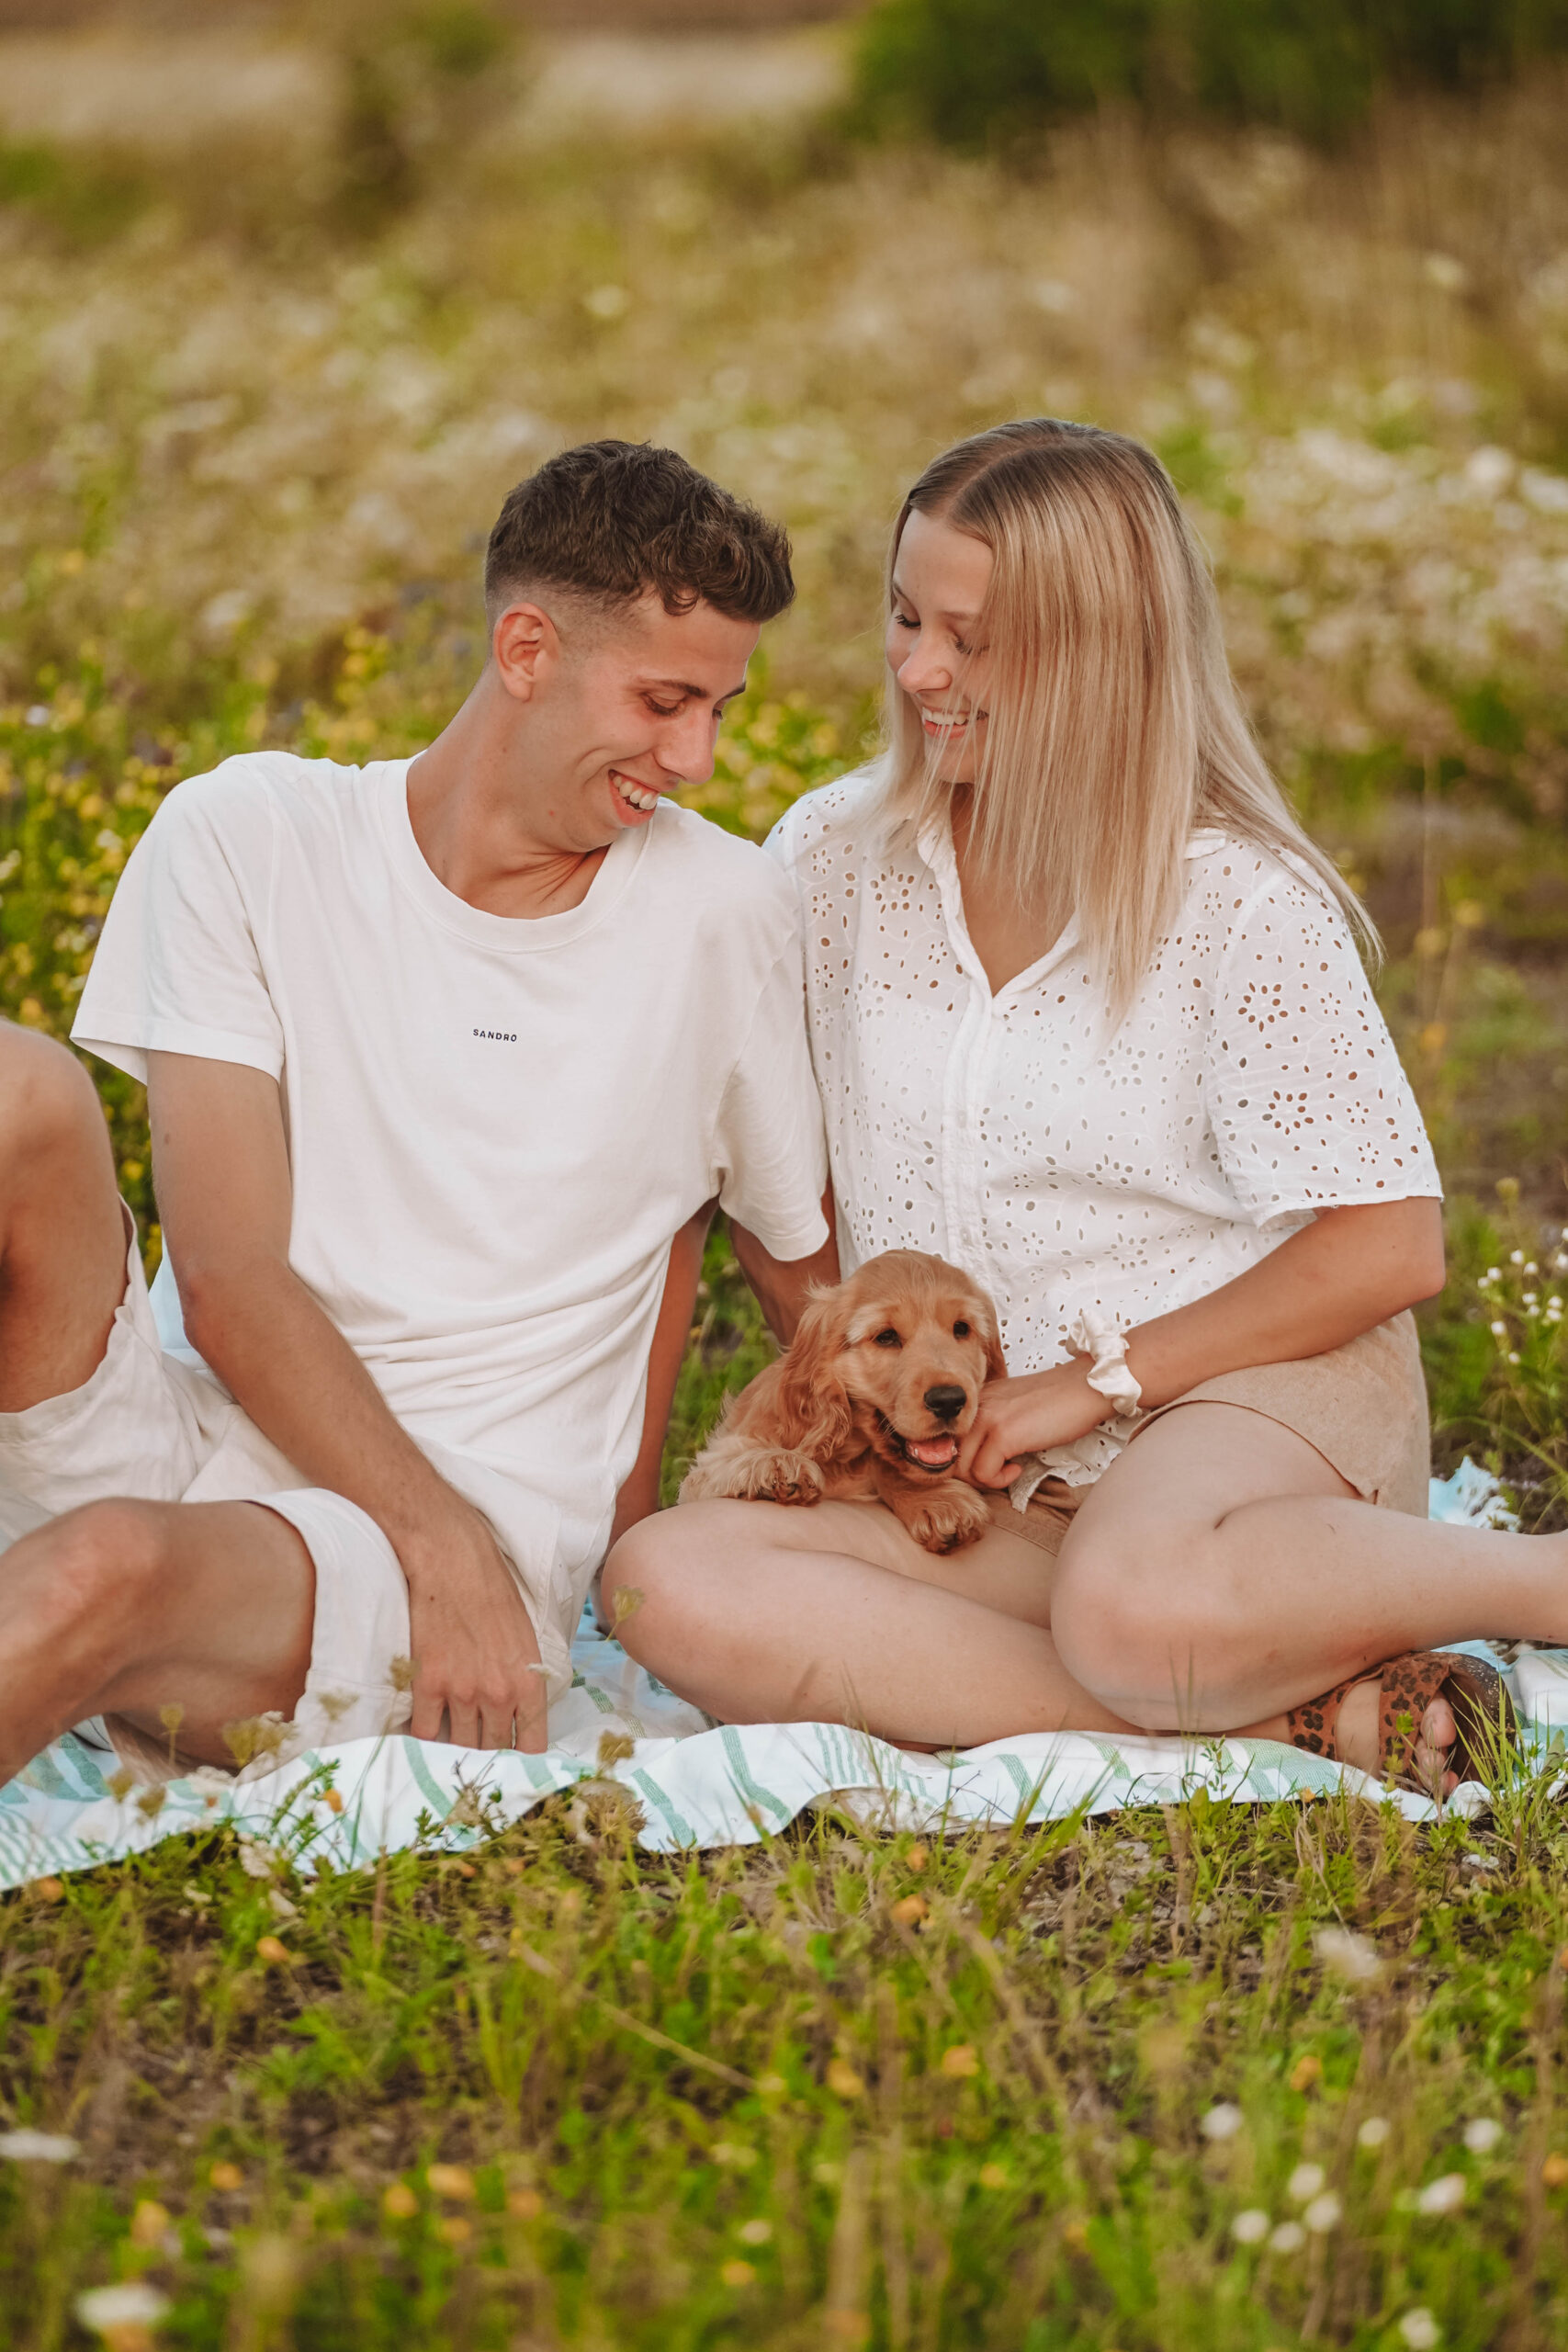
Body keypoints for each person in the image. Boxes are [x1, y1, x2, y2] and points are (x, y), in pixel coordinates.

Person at [609, 416, 1560, 1795]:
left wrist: (1092, 1386)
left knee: (1131, 1601)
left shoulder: (1239, 902)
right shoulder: (831, 857)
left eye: (972, 640)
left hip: (1247, 1405)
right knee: (664, 1584)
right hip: (997, 1462)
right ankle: (1292, 1721)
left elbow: (1389, 1249)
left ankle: (1541, 1583)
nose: (918, 671)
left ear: (1101, 655)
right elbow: (776, 1183)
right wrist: (883, 1399)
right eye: (906, 618)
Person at [0, 439, 835, 1788]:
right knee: (20, 1091)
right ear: (525, 649)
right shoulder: (248, 833)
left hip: (423, 1569)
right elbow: (227, 1278)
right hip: (179, 1435)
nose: (695, 758)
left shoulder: (722, 916)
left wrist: (464, 1554)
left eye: (721, 711)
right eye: (666, 701)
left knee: (108, 1565)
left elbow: (807, 1283)